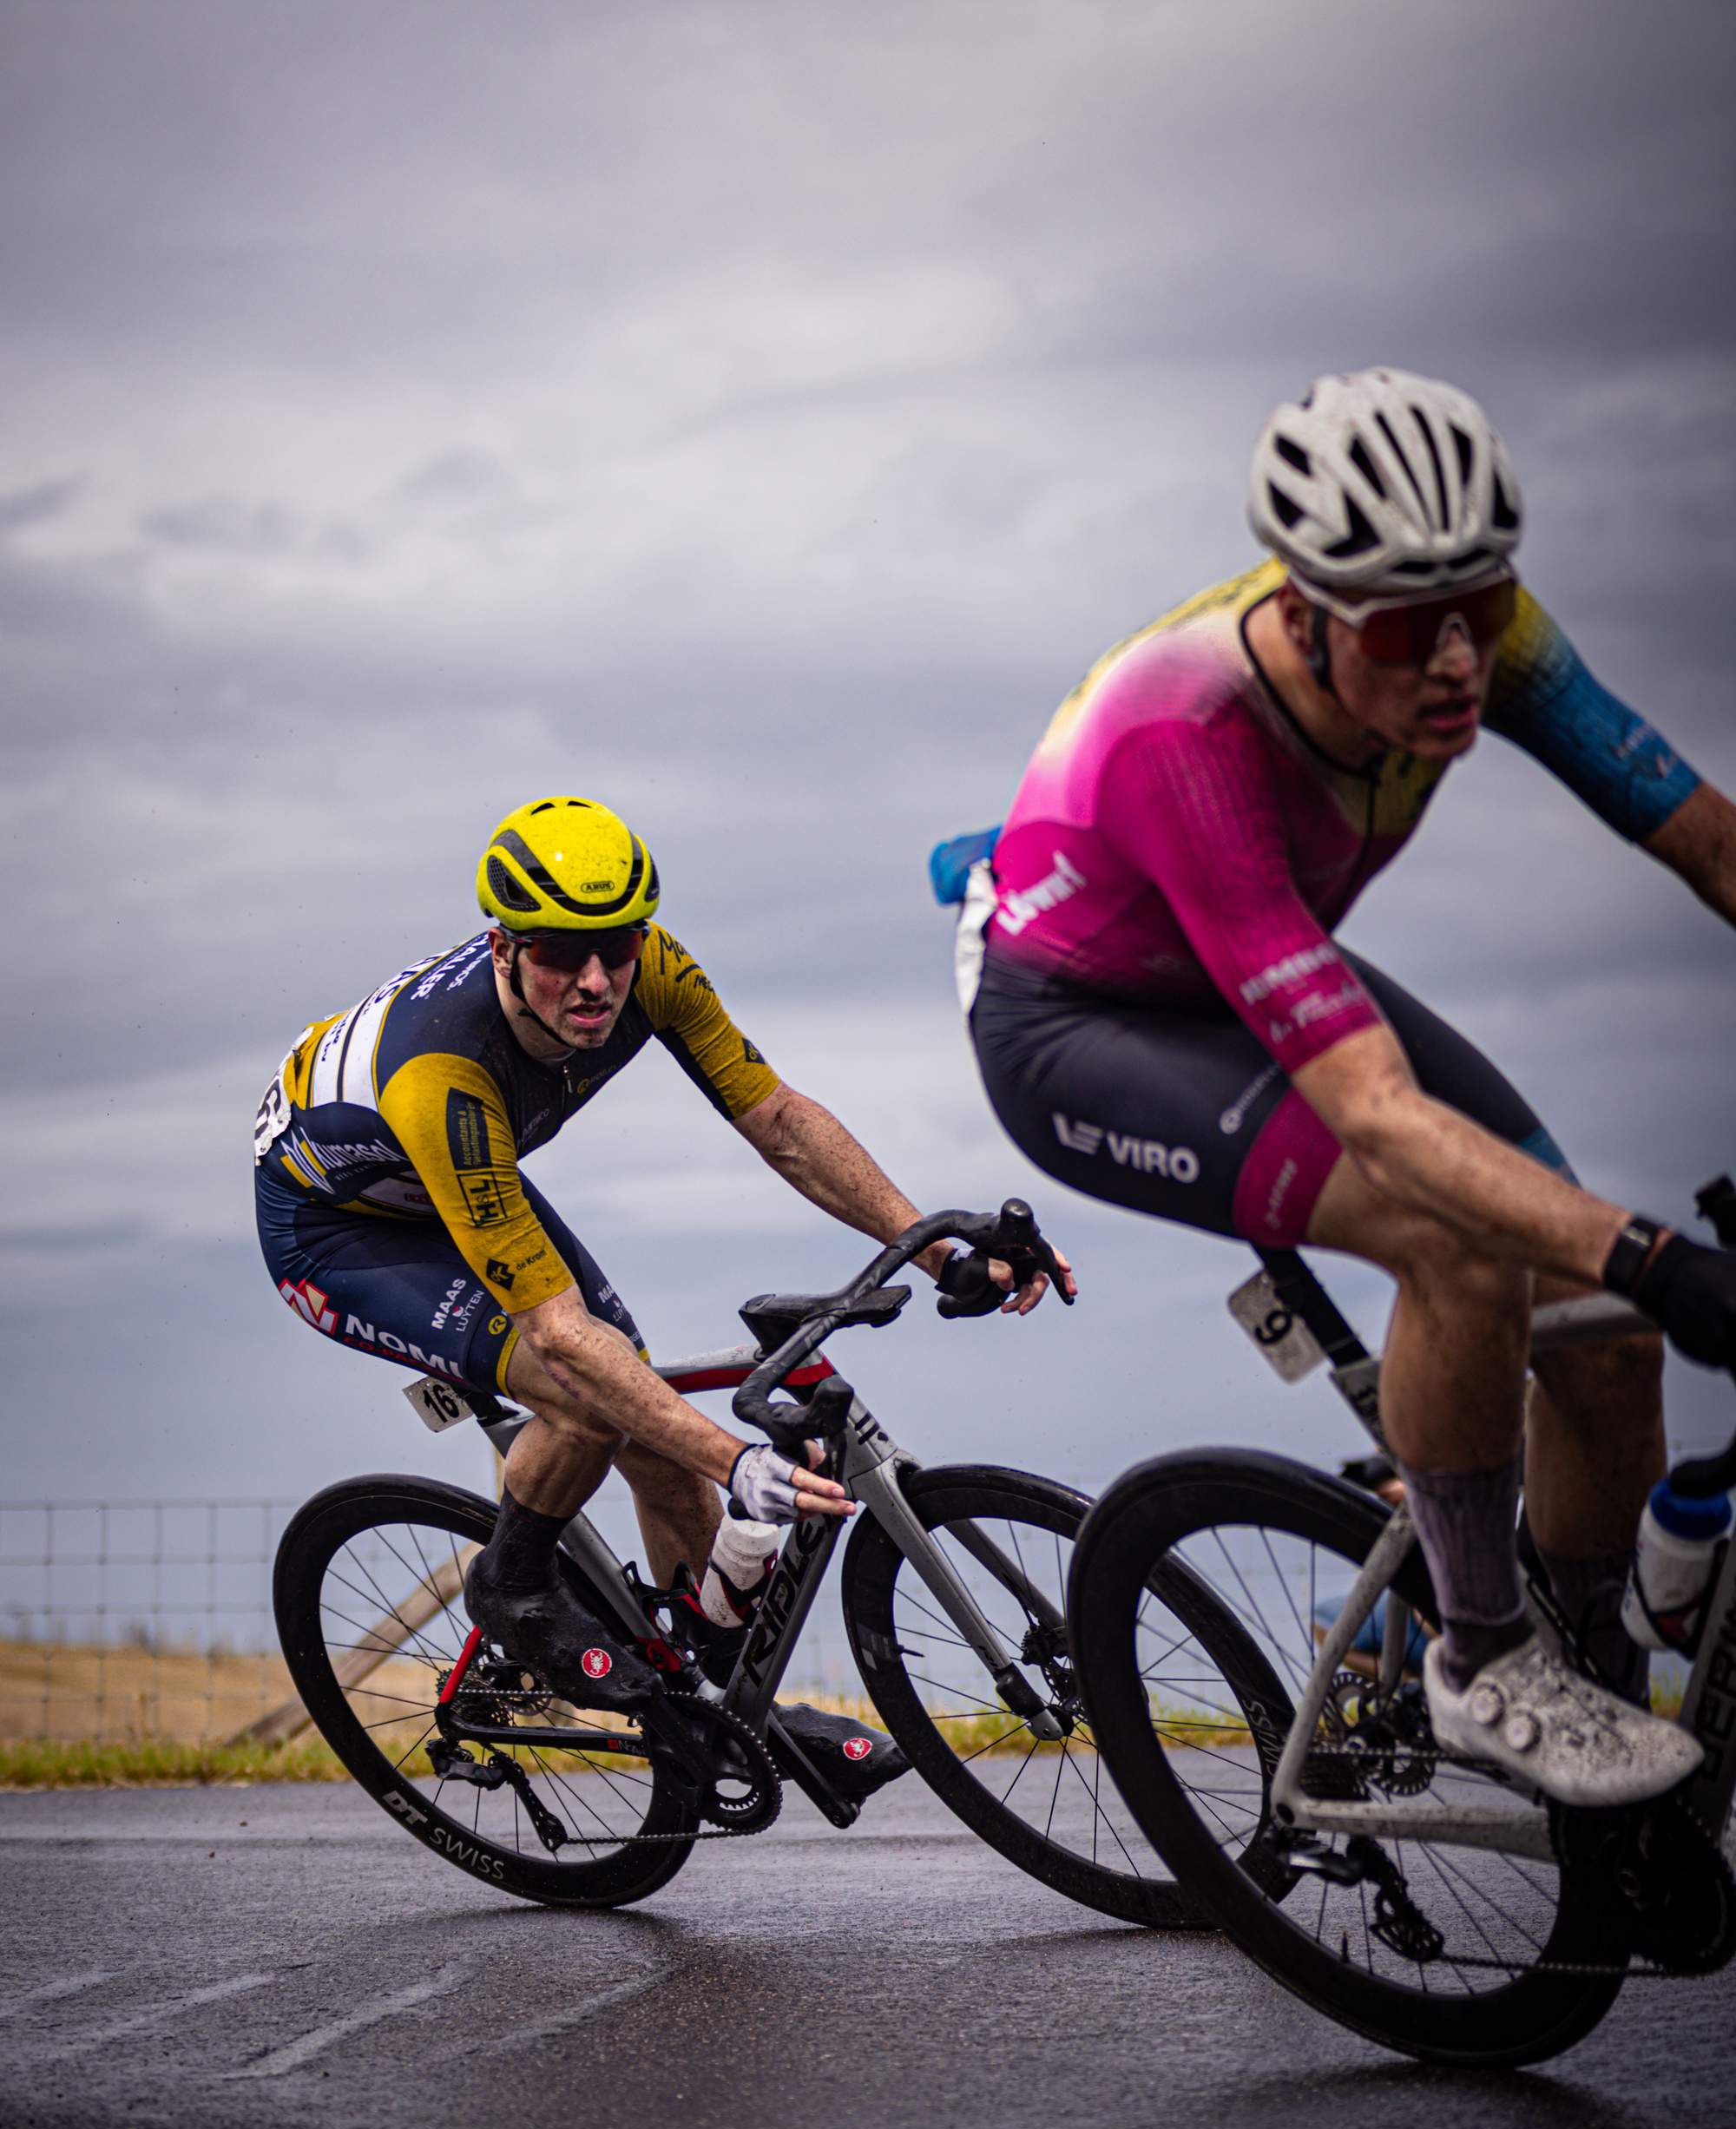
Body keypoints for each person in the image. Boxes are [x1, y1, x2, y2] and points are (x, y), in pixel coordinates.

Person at [951, 366, 1736, 1810]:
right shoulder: (1183, 727)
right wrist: (1664, 1254)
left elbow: (1708, 843)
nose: (1452, 664)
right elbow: (1380, 1119)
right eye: (1401, 629)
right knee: (1460, 1235)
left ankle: (1591, 1688)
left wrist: (1640, 1279)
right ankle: (1485, 1661)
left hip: (1256, 970)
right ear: (1306, 612)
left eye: (1480, 611)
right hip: (1078, 1021)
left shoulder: (1478, 640)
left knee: (1612, 1338)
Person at [257, 797, 1068, 1731]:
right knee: (584, 1386)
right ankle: (511, 1589)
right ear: (503, 949)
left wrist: (935, 1250)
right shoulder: (441, 1075)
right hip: (336, 1230)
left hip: (458, 1182)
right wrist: (735, 1463)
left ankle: (717, 1702)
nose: (596, 979)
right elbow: (558, 1336)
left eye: (618, 944)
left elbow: (782, 1124)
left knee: (642, 1410)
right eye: (561, 951)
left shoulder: (655, 971)